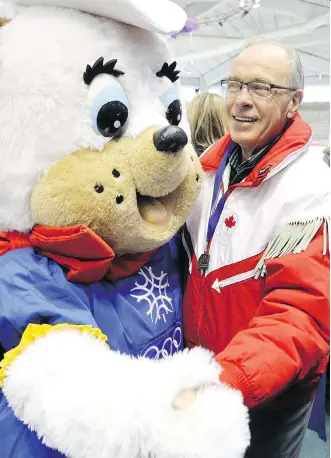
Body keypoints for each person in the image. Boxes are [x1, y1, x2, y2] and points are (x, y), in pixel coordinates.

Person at [181, 40, 330, 458]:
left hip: (266, 397)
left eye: (262, 88)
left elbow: (302, 312)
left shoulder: (309, 188)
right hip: (203, 377)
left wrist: (225, 382)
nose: (242, 100)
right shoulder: (206, 170)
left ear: (293, 103)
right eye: (235, 84)